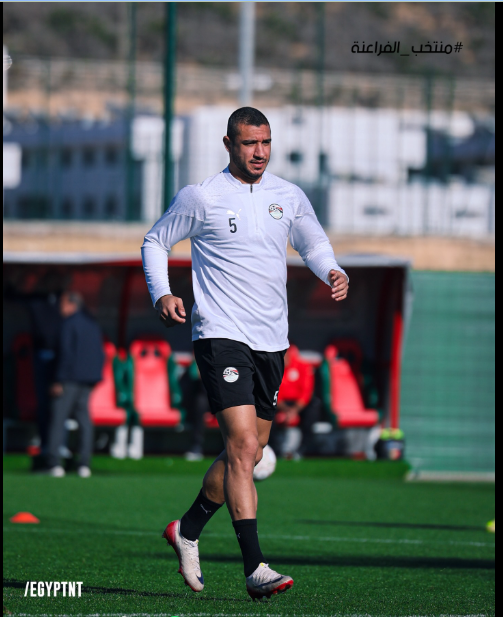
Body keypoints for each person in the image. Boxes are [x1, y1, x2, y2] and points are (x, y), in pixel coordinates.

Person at [141, 107, 349, 599]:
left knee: (251, 451)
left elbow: (312, 243)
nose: (259, 152)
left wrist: (331, 269)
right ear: (229, 144)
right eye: (249, 143)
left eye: (265, 142)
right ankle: (255, 568)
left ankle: (187, 528)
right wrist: (162, 293)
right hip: (220, 334)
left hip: (272, 341)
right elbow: (155, 241)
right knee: (241, 445)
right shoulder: (202, 197)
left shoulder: (288, 195)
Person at [46, 291, 104, 478]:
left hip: (68, 379)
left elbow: (66, 353)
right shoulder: (92, 324)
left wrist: (58, 379)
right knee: (84, 421)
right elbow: (100, 354)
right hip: (87, 380)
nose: (60, 307)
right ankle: (84, 464)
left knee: (58, 419)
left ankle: (54, 463)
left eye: (62, 303)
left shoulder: (68, 324)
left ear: (72, 304)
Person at [272, 344, 322, 459]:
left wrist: (294, 411)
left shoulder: (303, 366)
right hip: (281, 404)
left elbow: (306, 393)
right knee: (267, 414)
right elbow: (274, 392)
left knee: (312, 412)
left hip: (299, 405)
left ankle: (305, 450)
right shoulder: (275, 368)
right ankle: (273, 449)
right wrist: (286, 410)